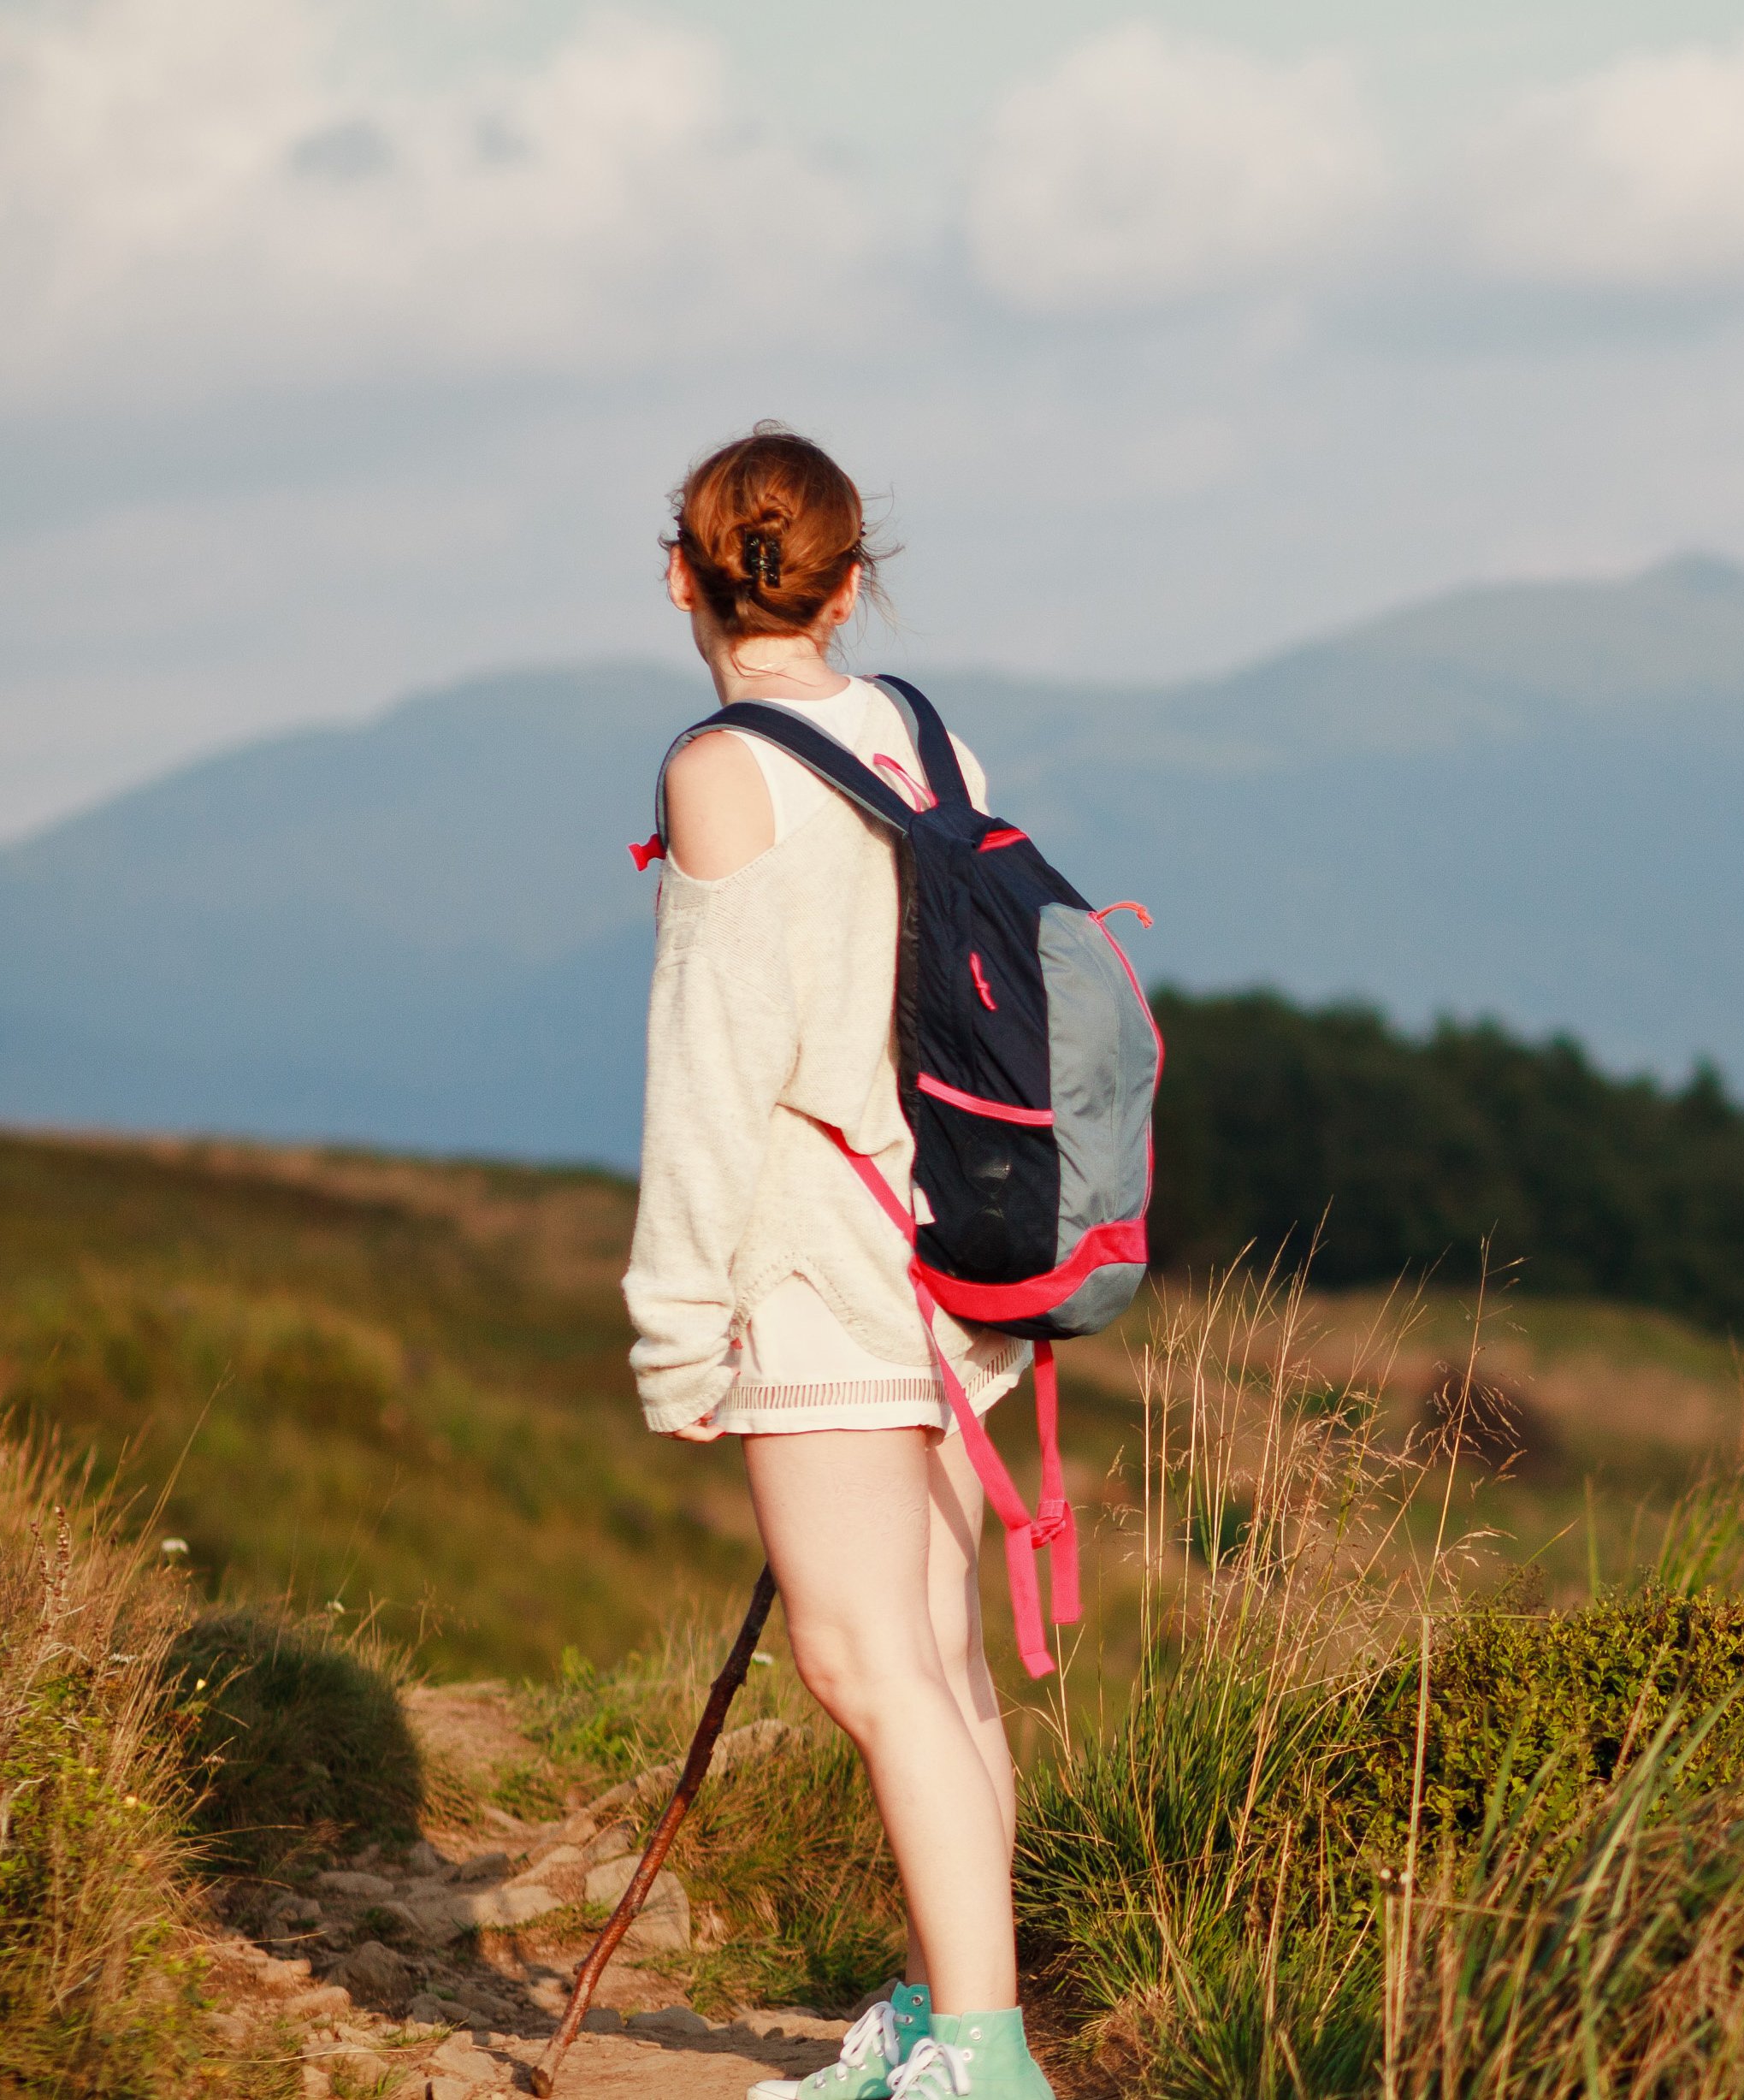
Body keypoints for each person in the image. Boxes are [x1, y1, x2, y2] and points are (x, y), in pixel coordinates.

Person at [623, 424, 1053, 2100]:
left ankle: (988, 2065)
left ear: (683, 572)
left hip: (816, 1271)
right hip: (955, 1249)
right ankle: (960, 2025)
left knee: (866, 1665)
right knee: (935, 1663)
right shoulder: (934, 737)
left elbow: (713, 1075)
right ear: (852, 580)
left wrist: (678, 1335)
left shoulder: (719, 773)